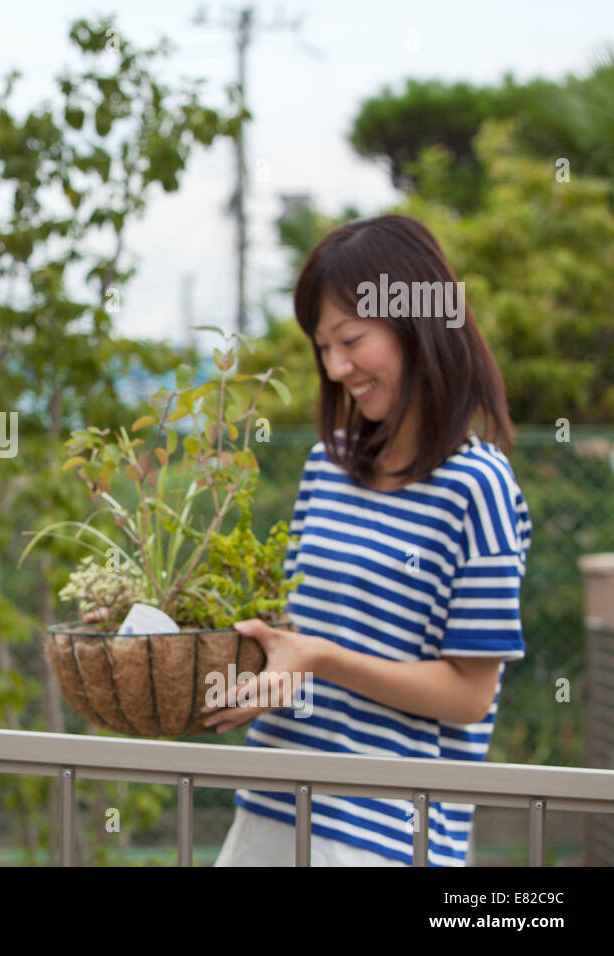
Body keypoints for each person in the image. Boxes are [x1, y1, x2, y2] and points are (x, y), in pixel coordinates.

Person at [203, 214, 530, 866]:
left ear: (419, 322)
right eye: (323, 347)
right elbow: (287, 629)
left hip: (385, 835)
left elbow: (470, 694)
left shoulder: (478, 487)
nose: (336, 365)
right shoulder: (328, 463)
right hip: (273, 805)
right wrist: (156, 620)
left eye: (351, 339)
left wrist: (323, 660)